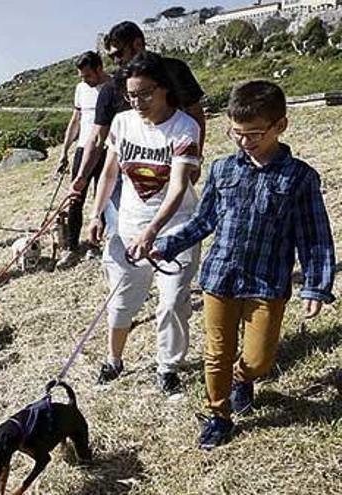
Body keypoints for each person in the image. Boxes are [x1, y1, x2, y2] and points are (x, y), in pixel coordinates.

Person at [149, 81, 336, 449]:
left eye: (254, 134)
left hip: (267, 282)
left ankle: (242, 378)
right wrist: (166, 245)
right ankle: (218, 415)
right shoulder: (222, 170)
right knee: (215, 352)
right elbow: (204, 222)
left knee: (259, 359)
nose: (245, 142)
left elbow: (314, 235)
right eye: (237, 133)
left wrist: (316, 284)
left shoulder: (300, 178)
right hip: (220, 277)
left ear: (280, 126)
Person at [87, 52, 202, 396]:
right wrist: (96, 213)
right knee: (121, 300)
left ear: (164, 88)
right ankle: (114, 360)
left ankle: (168, 367)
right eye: (131, 95)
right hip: (129, 226)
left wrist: (152, 233)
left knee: (171, 303)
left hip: (175, 229)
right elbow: (109, 172)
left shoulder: (185, 127)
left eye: (145, 93)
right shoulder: (122, 123)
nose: (137, 102)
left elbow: (180, 186)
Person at [71, 21, 206, 239]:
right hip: (125, 168)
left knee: (170, 226)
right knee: (119, 229)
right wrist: (82, 176)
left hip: (169, 164)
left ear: (137, 44)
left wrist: (196, 157)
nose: (115, 61)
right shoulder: (111, 88)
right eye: (111, 56)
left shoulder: (175, 71)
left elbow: (195, 114)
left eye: (119, 53)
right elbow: (97, 138)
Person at [55, 51, 111, 268]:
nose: (84, 80)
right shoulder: (80, 89)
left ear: (99, 69)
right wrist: (64, 151)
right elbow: (75, 120)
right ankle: (71, 247)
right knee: (75, 198)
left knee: (102, 198)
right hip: (82, 149)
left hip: (106, 149)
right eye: (81, 76)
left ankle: (94, 245)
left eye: (87, 75)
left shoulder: (112, 88)